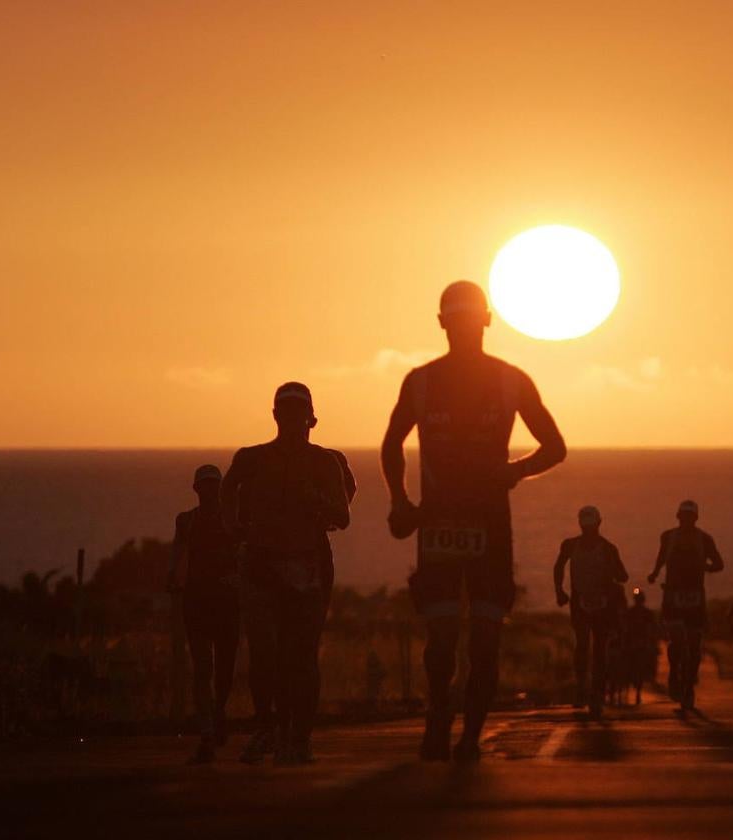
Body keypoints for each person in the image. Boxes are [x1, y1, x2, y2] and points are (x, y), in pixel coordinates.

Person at [381, 280, 566, 762]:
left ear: (485, 321)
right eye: (455, 322)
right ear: (444, 324)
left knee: (483, 643)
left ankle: (467, 738)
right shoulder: (420, 383)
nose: (463, 330)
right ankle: (440, 722)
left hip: (489, 528)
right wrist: (400, 501)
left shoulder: (511, 381)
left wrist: (512, 471)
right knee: (441, 643)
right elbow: (391, 442)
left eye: (469, 320)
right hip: (440, 526)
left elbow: (555, 446)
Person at [221, 382, 351, 766]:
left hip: (308, 566)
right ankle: (268, 730)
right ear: (276, 416)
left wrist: (318, 501)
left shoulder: (325, 463)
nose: (295, 421)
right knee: (265, 653)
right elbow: (228, 492)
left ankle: (298, 736)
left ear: (311, 418)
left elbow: (343, 514)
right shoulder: (251, 459)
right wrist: (235, 531)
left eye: (300, 414)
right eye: (287, 413)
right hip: (262, 564)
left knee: (302, 654)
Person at [166, 464, 240, 763]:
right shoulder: (186, 521)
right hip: (197, 600)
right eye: (205, 485)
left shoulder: (232, 521)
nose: (209, 491)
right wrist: (173, 576)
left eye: (214, 485)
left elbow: (242, 552)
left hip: (226, 601)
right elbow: (177, 551)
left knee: (224, 669)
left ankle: (218, 711)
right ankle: (207, 731)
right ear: (197, 489)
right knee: (202, 668)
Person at [647, 499, 724, 712]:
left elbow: (719, 563)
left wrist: (705, 567)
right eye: (684, 517)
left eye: (690, 517)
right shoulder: (668, 537)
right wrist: (654, 574)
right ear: (678, 517)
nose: (686, 521)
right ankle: (674, 674)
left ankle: (688, 686)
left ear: (695, 518)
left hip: (695, 597)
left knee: (694, 644)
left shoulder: (705, 540)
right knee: (677, 642)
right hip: (673, 595)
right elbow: (661, 558)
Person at [552, 506, 629, 716]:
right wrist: (560, 591)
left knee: (590, 647)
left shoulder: (601, 548)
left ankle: (590, 691)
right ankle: (589, 690)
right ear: (599, 523)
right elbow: (623, 576)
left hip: (594, 602)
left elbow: (622, 575)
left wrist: (560, 591)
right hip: (584, 601)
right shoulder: (598, 547)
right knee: (591, 646)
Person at [624, 588, 658, 705]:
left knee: (648, 660)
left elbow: (653, 630)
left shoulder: (646, 614)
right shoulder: (631, 613)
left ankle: (647, 678)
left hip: (642, 644)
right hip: (633, 644)